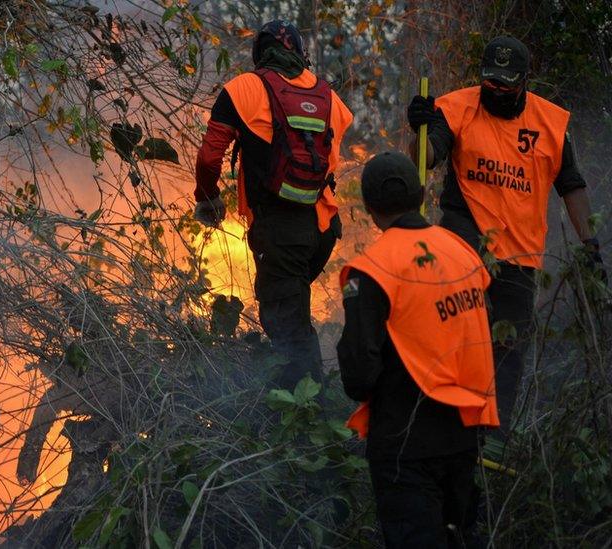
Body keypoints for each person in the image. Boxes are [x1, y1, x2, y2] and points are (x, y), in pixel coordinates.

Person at [406, 35, 605, 430]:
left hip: (519, 257)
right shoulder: (457, 107)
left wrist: (590, 245)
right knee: (453, 335)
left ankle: (493, 437)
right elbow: (425, 159)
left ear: (524, 80)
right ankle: (439, 425)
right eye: (490, 81)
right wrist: (421, 130)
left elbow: (572, 186)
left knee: (508, 352)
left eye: (506, 83)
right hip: (465, 241)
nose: (496, 90)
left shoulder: (551, 123)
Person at [337, 151, 499, 548]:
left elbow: (359, 376)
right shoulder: (463, 252)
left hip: (406, 444)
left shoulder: (372, 270)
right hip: (464, 432)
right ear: (422, 194)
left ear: (369, 208)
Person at [193, 20, 353, 388]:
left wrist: (208, 197)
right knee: (290, 309)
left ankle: (310, 415)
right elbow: (330, 166)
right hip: (323, 230)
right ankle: (302, 396)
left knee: (288, 328)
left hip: (281, 232)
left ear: (258, 53)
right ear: (300, 54)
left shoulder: (243, 89)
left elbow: (208, 158)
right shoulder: (330, 98)